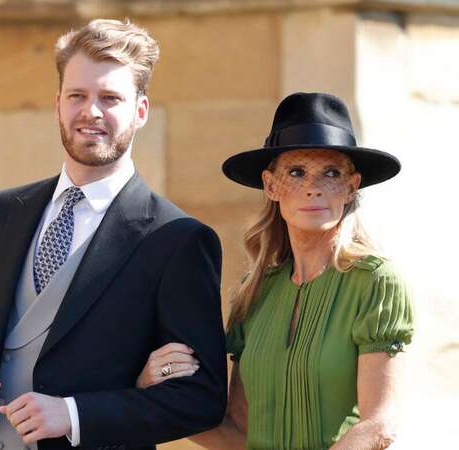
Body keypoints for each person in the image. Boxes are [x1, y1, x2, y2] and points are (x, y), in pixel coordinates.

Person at [0, 19, 227, 450]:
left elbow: (201, 400)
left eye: (110, 98)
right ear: (58, 103)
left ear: (140, 110)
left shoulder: (176, 238)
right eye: (78, 96)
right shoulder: (2, 211)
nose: (91, 112)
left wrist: (75, 415)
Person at [140, 92, 414, 449]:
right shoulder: (255, 292)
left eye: (331, 172)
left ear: (351, 186)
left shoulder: (375, 282)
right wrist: (152, 392)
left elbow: (380, 424)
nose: (313, 188)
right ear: (271, 185)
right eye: (296, 172)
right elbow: (239, 433)